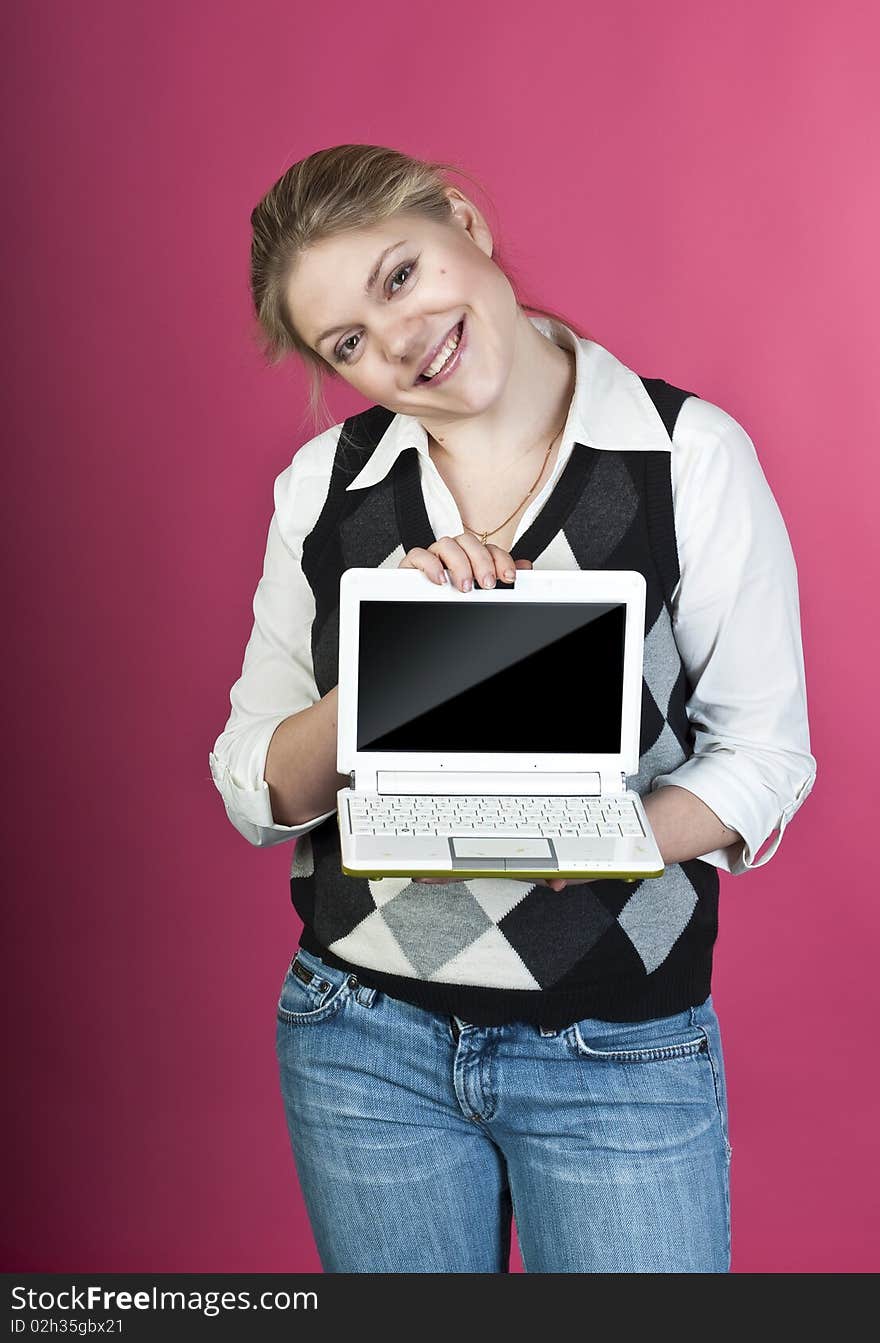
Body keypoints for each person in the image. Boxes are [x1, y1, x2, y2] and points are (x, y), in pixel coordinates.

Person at [209, 144, 817, 1273]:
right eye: (346, 342)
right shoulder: (325, 489)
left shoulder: (687, 456)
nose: (398, 341)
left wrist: (606, 837)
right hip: (360, 1037)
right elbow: (258, 786)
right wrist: (392, 677)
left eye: (399, 276)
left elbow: (765, 756)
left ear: (463, 223)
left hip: (616, 1045)